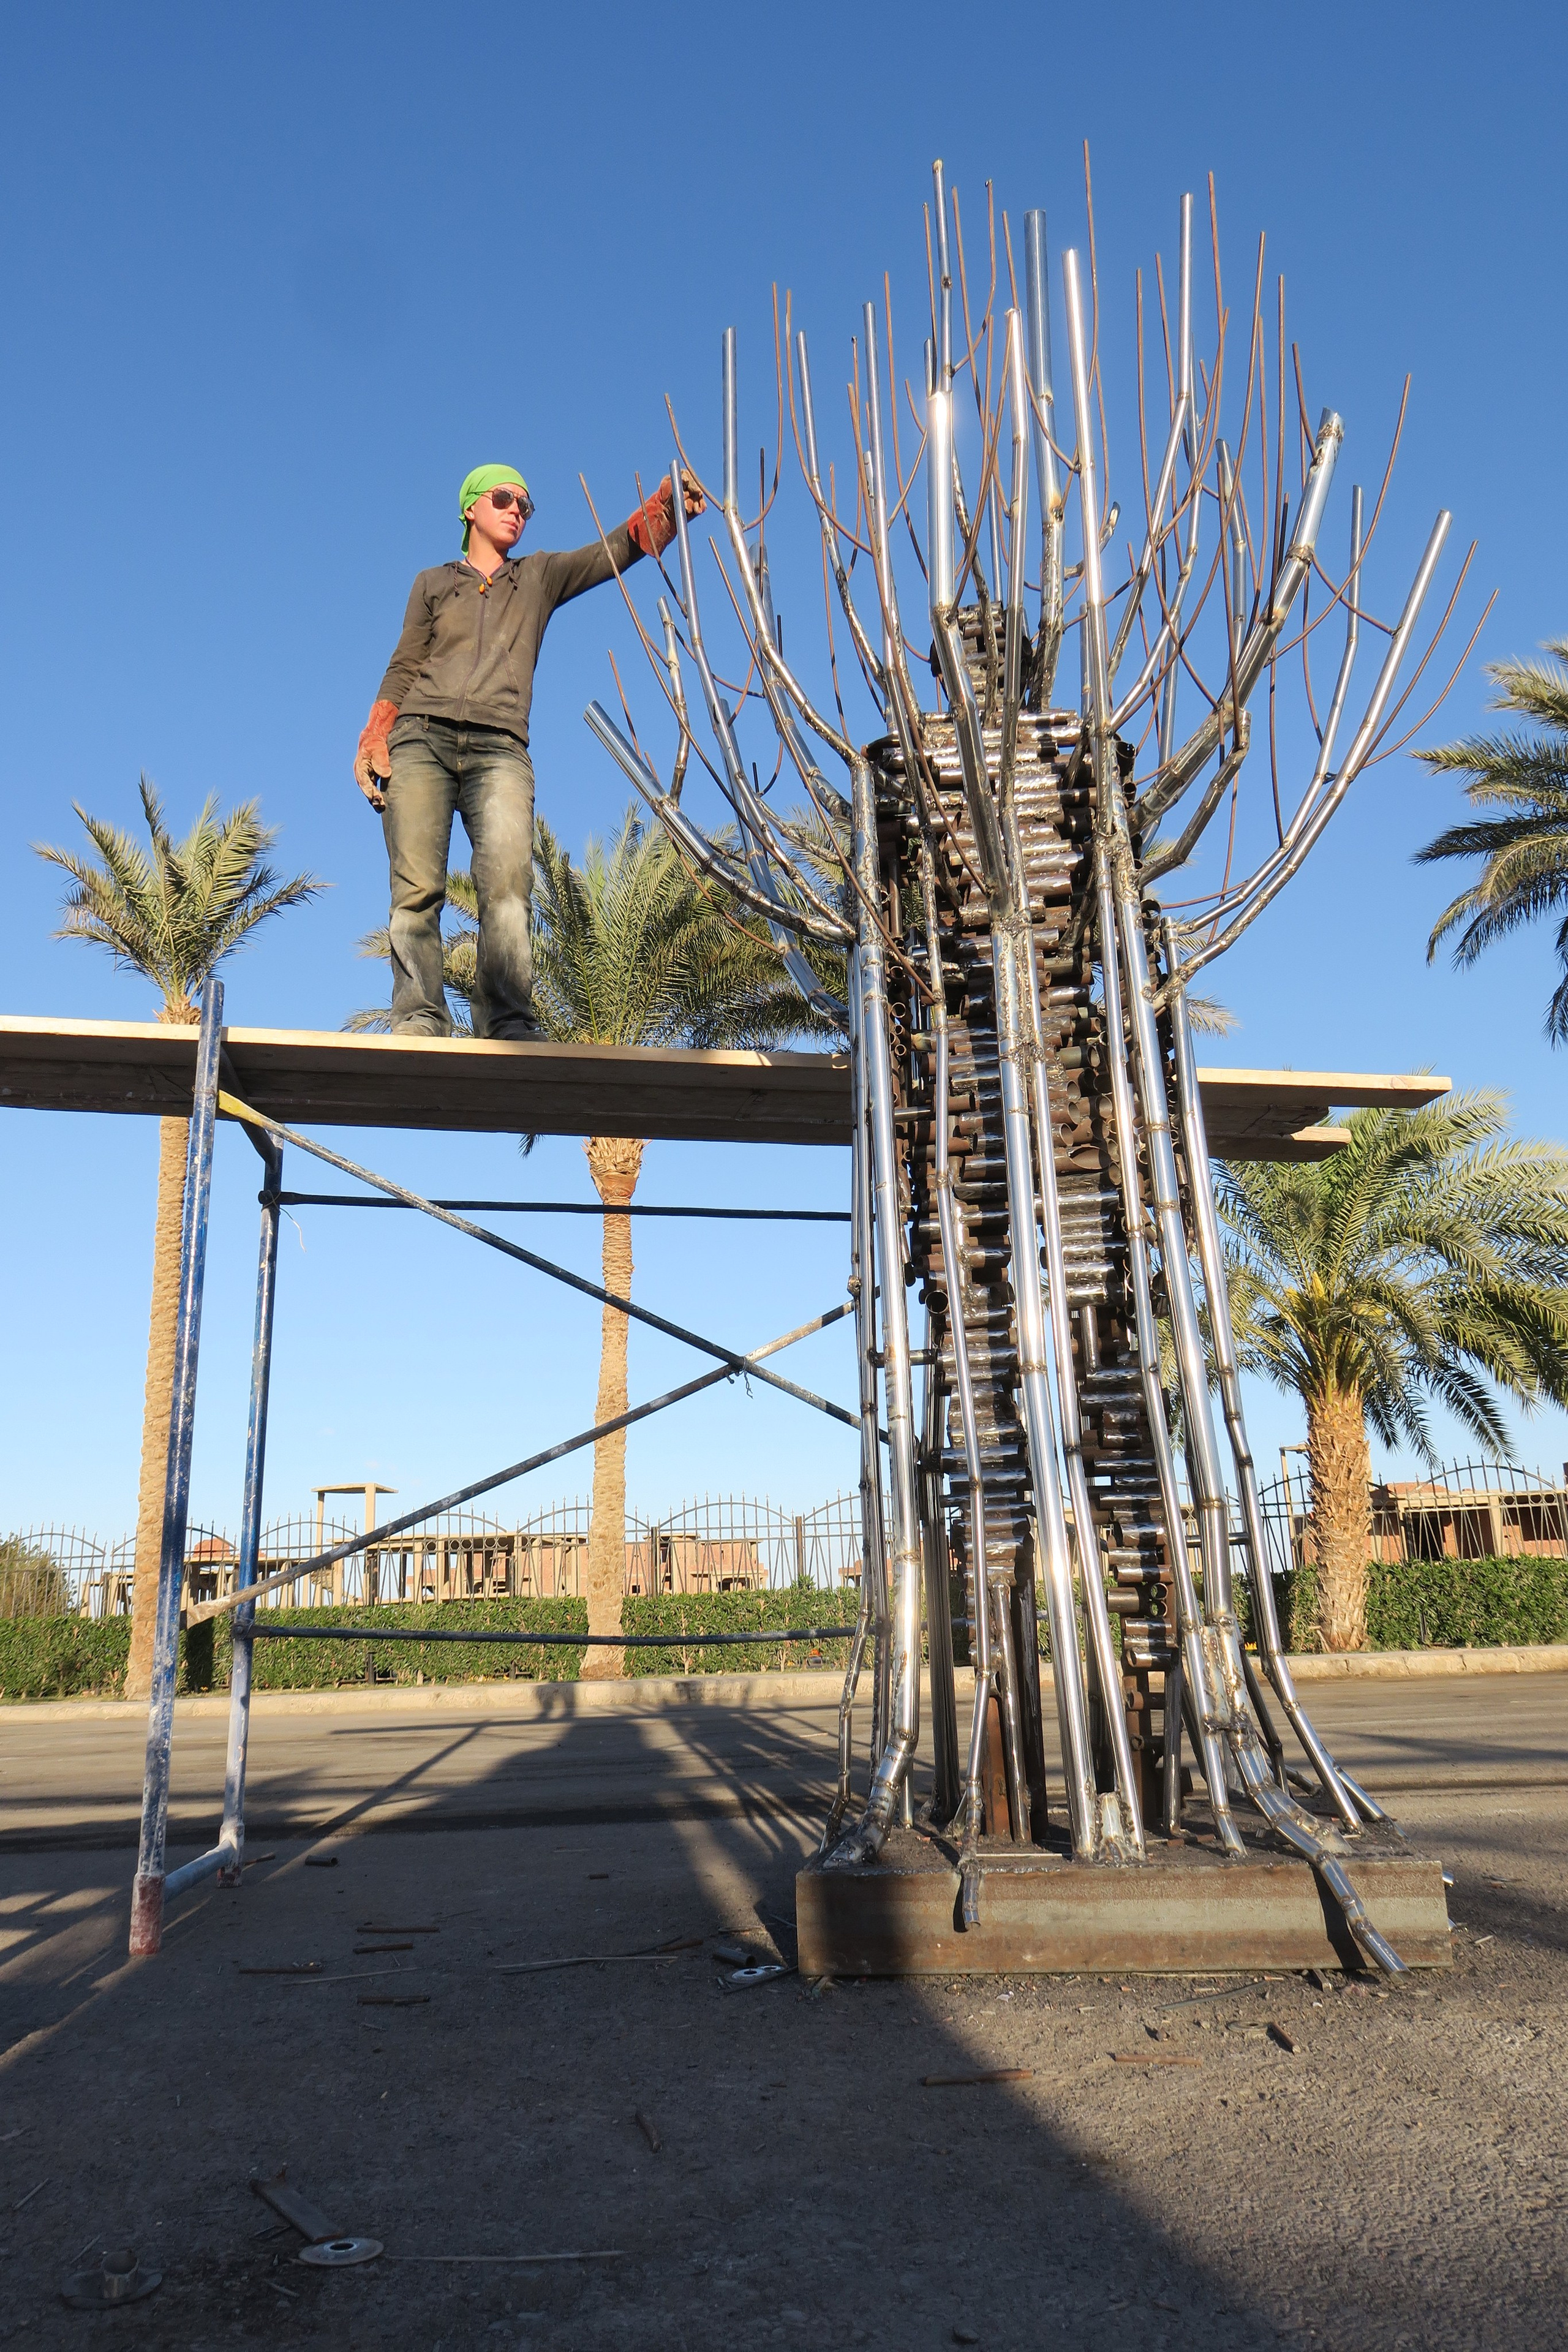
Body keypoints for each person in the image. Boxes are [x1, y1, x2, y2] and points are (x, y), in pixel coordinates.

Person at [353, 462, 704, 1038]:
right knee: (416, 891)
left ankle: (508, 1020)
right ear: (470, 508)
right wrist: (376, 730)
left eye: (526, 505)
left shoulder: (538, 576)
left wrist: (662, 512)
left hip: (500, 748)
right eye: (503, 498)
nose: (517, 509)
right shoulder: (432, 583)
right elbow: (404, 664)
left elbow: (611, 551)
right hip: (420, 739)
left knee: (509, 889)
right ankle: (418, 1015)